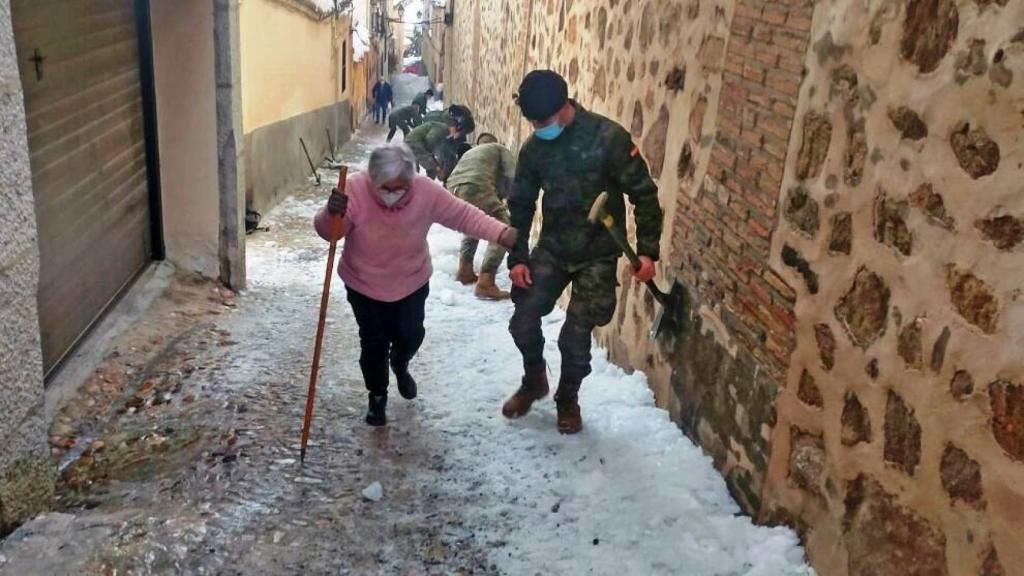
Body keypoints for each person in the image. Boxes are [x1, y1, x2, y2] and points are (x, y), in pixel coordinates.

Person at [502, 70, 664, 434]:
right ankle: (534, 380)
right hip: (554, 249)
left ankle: (568, 400)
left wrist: (648, 250)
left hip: (598, 253)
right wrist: (519, 258)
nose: (538, 127)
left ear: (564, 107)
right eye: (532, 122)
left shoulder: (609, 139)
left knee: (574, 337)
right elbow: (522, 204)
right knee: (523, 319)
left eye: (542, 120)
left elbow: (644, 194)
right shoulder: (535, 149)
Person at [314, 144, 519, 426]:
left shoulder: (425, 191)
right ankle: (377, 397)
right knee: (372, 343)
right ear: (372, 180)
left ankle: (400, 362)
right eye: (385, 188)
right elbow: (332, 234)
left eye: (400, 187)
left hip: (411, 280)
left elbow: (464, 215)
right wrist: (330, 213)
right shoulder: (355, 189)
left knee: (411, 334)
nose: (392, 193)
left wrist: (502, 232)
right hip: (364, 282)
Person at [445, 133, 517, 300]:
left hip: (453, 186)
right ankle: (487, 281)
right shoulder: (499, 149)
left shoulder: (472, 153)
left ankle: (465, 270)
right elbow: (514, 176)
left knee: (475, 223)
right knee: (502, 228)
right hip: (474, 185)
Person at [404, 110, 474, 180]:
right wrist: (437, 168)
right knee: (422, 170)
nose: (459, 136)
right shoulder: (442, 130)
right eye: (461, 133)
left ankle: (429, 186)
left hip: (418, 147)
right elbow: (426, 148)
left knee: (432, 168)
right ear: (457, 129)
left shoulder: (446, 132)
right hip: (412, 144)